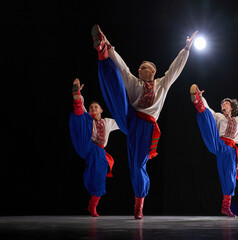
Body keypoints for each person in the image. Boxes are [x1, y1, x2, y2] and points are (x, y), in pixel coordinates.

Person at [91, 24, 198, 219]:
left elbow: (175, 69)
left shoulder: (162, 84)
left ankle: (139, 204)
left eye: (144, 67)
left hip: (146, 128)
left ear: (153, 71)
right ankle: (102, 52)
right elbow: (123, 66)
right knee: (117, 80)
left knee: (137, 165)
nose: (139, 69)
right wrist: (109, 45)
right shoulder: (134, 82)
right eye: (139, 67)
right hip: (129, 118)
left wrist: (186, 49)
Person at [190, 84, 238, 217]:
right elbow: (209, 110)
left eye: (226, 103)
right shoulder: (219, 116)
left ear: (232, 107)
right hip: (219, 143)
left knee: (229, 177)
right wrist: (201, 97)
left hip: (231, 151)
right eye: (222, 103)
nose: (223, 105)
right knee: (207, 115)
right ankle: (197, 103)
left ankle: (226, 207)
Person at [69, 78, 119, 217]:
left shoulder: (108, 122)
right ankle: (76, 98)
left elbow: (122, 123)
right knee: (82, 116)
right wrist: (78, 94)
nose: (93, 109)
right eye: (91, 108)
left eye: (95, 107)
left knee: (99, 177)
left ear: (101, 110)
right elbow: (84, 112)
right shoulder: (88, 118)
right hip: (86, 144)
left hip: (99, 152)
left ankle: (93, 205)